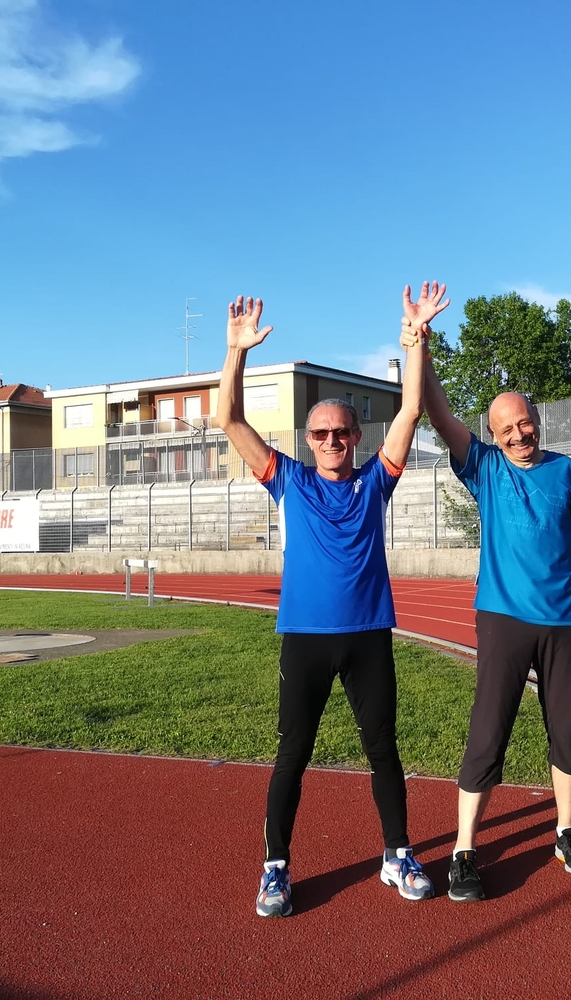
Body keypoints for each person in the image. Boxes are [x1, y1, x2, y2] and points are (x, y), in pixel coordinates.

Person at [217, 283, 450, 917]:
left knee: (383, 747)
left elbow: (409, 413)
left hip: (369, 633)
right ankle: (275, 867)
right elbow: (229, 420)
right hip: (306, 638)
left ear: (355, 436)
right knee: (293, 752)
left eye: (341, 432)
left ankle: (396, 854)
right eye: (320, 433)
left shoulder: (378, 479)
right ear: (307, 438)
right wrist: (235, 351)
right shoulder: (286, 479)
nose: (330, 441)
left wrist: (415, 339)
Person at [401, 315, 571, 902]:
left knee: (567, 731)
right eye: (506, 428)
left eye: (525, 423)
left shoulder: (566, 471)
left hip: (564, 620)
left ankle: (566, 831)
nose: (519, 435)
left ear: (537, 421)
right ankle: (465, 848)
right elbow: (438, 414)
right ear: (493, 435)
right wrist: (422, 348)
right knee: (489, 733)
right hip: (504, 619)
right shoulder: (485, 467)